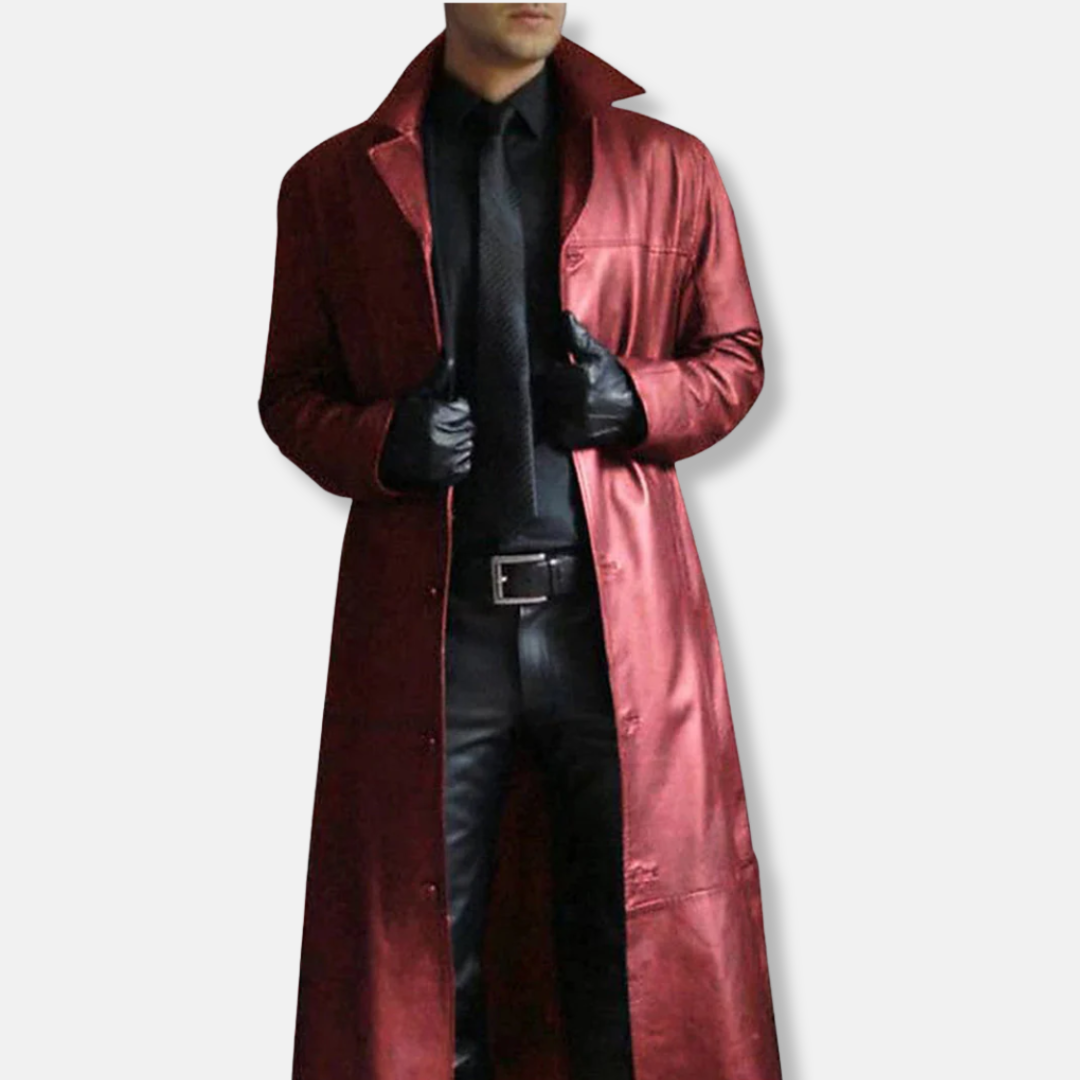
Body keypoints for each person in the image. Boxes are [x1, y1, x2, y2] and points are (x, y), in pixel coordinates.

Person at [258, 5, 783, 1080]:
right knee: (419, 965)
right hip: (433, 632)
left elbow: (734, 354)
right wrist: (385, 440)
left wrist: (638, 400)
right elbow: (292, 394)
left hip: (616, 624)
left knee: (634, 960)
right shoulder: (333, 184)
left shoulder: (669, 166)